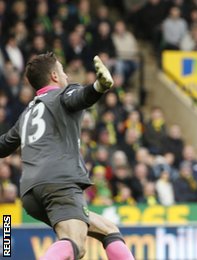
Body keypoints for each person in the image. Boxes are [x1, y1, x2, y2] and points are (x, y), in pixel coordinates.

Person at [0, 53, 134, 260]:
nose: (66, 76)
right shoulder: (63, 94)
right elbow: (80, 97)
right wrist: (99, 86)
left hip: (30, 193)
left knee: (108, 229)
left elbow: (3, 146)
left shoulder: (27, 113)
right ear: (54, 76)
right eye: (63, 71)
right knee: (76, 245)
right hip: (59, 183)